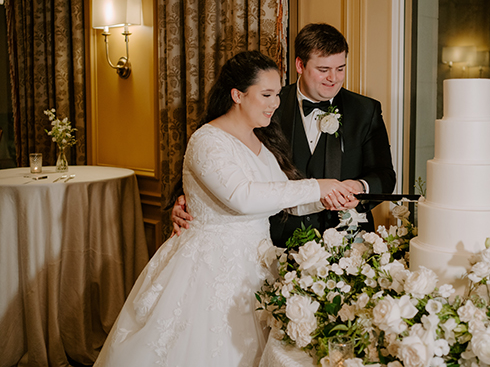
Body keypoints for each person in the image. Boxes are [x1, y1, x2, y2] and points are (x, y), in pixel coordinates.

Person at [94, 51, 355, 366]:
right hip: (210, 270)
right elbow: (242, 198)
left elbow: (281, 200)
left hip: (256, 267)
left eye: (277, 94)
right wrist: (317, 185)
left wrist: (330, 196)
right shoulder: (207, 141)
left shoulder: (261, 142)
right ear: (237, 95)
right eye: (267, 94)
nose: (275, 102)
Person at [172, 23, 396, 247]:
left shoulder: (366, 110)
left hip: (348, 243)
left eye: (340, 68)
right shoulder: (264, 107)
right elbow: (219, 161)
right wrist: (188, 200)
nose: (334, 78)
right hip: (277, 241)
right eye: (323, 69)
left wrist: (360, 187)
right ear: (300, 65)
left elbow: (385, 176)